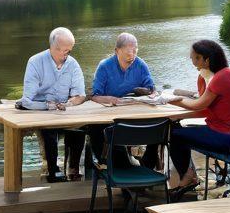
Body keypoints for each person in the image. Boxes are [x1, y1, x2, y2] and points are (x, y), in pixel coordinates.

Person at [164, 39, 230, 197]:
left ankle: (188, 177)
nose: (192, 61)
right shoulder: (227, 73)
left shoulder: (219, 78)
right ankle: (189, 175)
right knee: (177, 128)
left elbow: (198, 105)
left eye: (195, 58)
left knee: (175, 134)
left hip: (228, 138)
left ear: (206, 59)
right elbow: (207, 110)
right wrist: (178, 116)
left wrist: (170, 100)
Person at [20, 27, 87, 182]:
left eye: (70, 51)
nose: (67, 55)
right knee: (49, 131)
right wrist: (47, 106)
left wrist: (69, 104)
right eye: (64, 51)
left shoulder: (73, 64)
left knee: (80, 128)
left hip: (63, 109)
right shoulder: (35, 62)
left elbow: (80, 95)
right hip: (41, 110)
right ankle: (52, 170)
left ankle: (73, 168)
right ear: (53, 47)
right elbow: (26, 101)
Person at [90, 32, 159, 168]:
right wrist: (109, 99)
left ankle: (147, 166)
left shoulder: (140, 64)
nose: (132, 56)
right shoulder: (104, 66)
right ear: (117, 51)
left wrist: (150, 93)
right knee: (95, 128)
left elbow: (152, 89)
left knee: (158, 125)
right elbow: (94, 95)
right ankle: (109, 163)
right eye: (128, 53)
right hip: (111, 114)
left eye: (135, 51)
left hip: (133, 111)